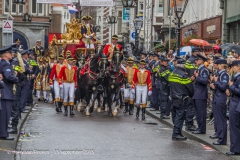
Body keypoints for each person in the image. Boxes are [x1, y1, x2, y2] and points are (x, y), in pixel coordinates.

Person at [168, 58, 194, 140]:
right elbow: (190, 88)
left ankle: (178, 132)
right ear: (183, 65)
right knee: (180, 116)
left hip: (173, 98)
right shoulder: (183, 75)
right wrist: (190, 95)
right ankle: (176, 134)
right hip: (181, 99)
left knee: (175, 115)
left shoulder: (172, 74)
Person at [0, 45, 19, 140]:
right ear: (6, 54)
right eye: (11, 53)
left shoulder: (2, 63)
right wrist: (16, 78)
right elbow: (8, 76)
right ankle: (3, 134)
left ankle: (3, 132)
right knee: (5, 115)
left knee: (4, 114)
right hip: (6, 92)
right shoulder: (5, 64)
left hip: (3, 92)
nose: (12, 54)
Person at [209, 59, 229, 145]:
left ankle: (222, 139)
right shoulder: (218, 74)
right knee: (217, 118)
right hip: (216, 97)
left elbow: (223, 87)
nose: (218, 66)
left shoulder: (224, 75)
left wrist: (216, 81)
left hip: (220, 98)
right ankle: (219, 135)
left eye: (219, 64)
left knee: (221, 120)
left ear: (223, 65)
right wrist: (212, 85)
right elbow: (216, 85)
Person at [191, 54, 210, 134]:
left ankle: (202, 129)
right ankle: (199, 127)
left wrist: (197, 77)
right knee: (197, 112)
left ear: (202, 60)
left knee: (201, 112)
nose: (196, 61)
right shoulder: (198, 69)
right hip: (197, 93)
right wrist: (194, 78)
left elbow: (205, 81)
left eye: (197, 60)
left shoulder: (204, 70)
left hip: (201, 94)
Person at [226, 60, 240, 155]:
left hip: (236, 104)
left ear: (238, 66)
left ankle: (235, 149)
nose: (232, 68)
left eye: (233, 66)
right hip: (235, 102)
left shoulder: (238, 77)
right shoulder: (235, 77)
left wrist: (231, 86)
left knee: (235, 127)